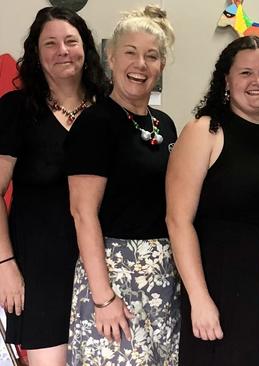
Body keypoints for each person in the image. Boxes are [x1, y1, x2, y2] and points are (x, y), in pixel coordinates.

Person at [166, 35, 259, 365]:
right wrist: (199, 298)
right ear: (227, 81)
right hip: (222, 291)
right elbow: (178, 220)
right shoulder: (204, 131)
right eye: (245, 73)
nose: (258, 81)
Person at [64, 6, 179, 365]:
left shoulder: (165, 125)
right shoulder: (95, 124)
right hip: (114, 275)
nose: (140, 64)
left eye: (152, 56)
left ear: (161, 66)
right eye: (130, 52)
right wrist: (103, 298)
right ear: (110, 58)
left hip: (162, 276)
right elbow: (83, 214)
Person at [0, 7, 108, 365]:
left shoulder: (107, 110)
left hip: (102, 264)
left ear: (85, 48)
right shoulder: (17, 109)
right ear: (36, 54)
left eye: (71, 41)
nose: (63, 50)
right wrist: (5, 264)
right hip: (40, 266)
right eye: (51, 43)